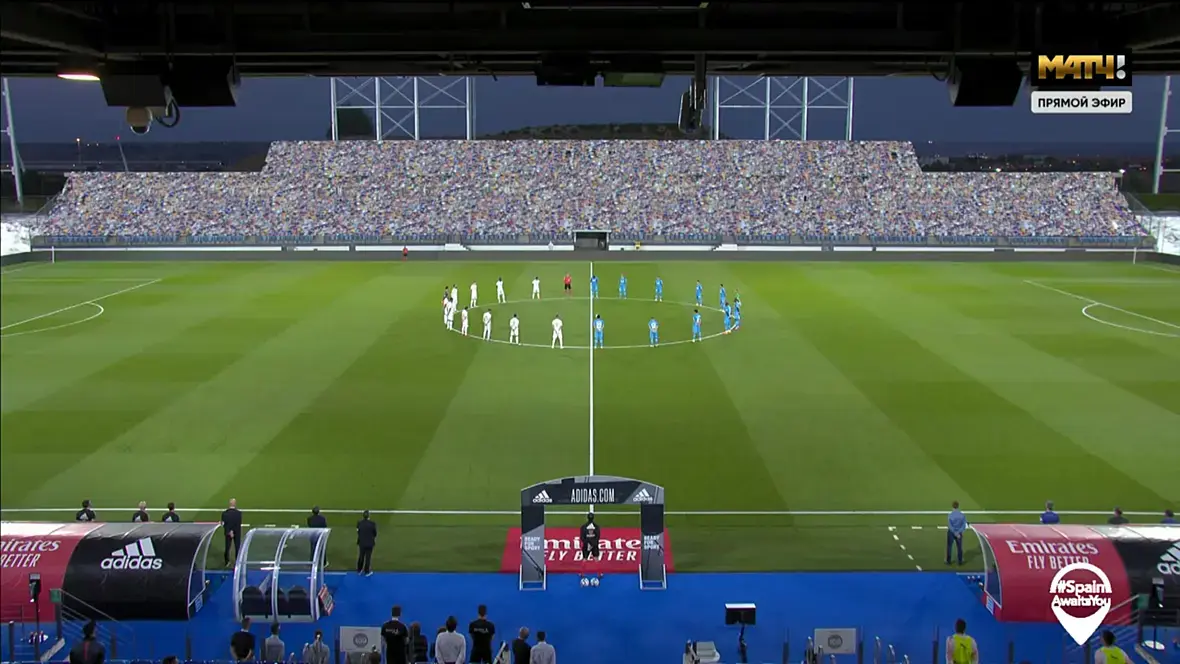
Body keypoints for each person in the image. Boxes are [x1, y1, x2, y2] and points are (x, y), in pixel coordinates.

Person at [221, 499, 243, 567]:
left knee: (227, 547)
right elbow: (238, 523)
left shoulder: (224, 513)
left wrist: (230, 531)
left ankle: (227, 562)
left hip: (228, 532)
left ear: (229, 504)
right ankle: (237, 562)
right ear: (235, 504)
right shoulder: (239, 513)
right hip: (237, 532)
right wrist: (234, 531)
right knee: (237, 547)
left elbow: (224, 524)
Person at [356, 510, 377, 576]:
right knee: (368, 557)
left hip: (362, 542)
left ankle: (359, 570)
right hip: (370, 543)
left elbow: (358, 532)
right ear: (369, 516)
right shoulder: (372, 524)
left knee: (361, 556)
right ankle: (367, 571)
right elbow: (375, 533)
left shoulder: (359, 523)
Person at [946, 501, 967, 566]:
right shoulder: (962, 515)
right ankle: (960, 561)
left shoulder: (950, 515)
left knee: (949, 547)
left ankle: (948, 561)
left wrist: (954, 532)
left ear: (952, 507)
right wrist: (958, 532)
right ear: (958, 506)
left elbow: (950, 526)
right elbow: (964, 525)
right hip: (959, 533)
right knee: (959, 547)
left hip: (951, 533)